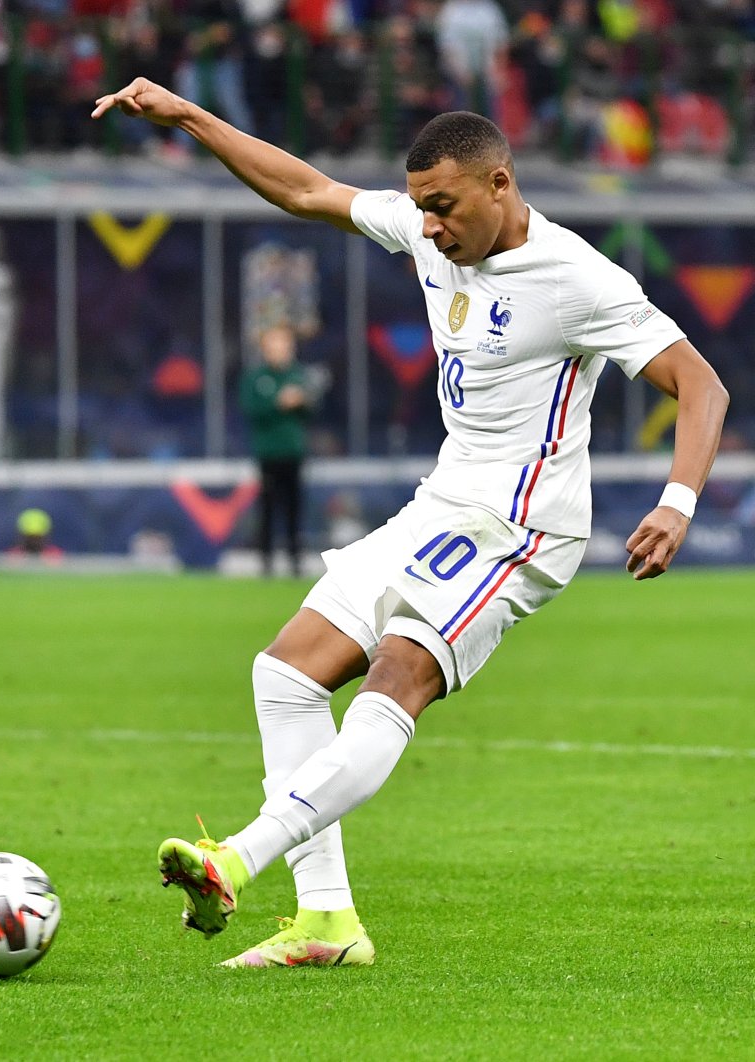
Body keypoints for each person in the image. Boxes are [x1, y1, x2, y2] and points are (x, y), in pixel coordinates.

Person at [92, 81, 726, 967]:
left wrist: (677, 501)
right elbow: (307, 191)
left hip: (521, 530)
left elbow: (702, 385)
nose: (428, 228)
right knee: (283, 675)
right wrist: (192, 119)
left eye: (444, 207)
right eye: (420, 207)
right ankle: (326, 924)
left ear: (499, 184)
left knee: (395, 673)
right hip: (439, 507)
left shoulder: (580, 278)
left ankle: (236, 858)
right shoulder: (434, 237)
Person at [241, 326, 311, 577]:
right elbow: (251, 408)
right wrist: (279, 403)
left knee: (294, 508)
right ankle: (266, 562)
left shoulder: (298, 375)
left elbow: (312, 409)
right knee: (268, 509)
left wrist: (303, 401)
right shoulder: (257, 377)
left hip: (294, 452)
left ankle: (295, 561)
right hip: (269, 453)